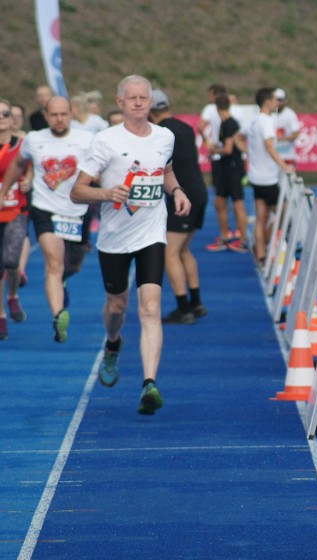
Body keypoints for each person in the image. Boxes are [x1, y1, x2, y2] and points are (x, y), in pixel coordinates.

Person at [71, 75, 191, 415]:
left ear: (150, 102)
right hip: (114, 238)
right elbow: (77, 191)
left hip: (152, 234)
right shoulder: (105, 141)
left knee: (150, 307)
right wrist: (107, 193)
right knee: (117, 307)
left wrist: (177, 191)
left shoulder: (164, 137)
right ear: (120, 102)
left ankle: (149, 383)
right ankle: (112, 343)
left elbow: (165, 172)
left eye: (143, 97)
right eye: (132, 98)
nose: (138, 103)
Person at [2, 96, 94, 342]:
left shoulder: (87, 140)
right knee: (53, 264)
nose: (59, 119)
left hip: (78, 211)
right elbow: (17, 164)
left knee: (71, 266)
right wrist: (3, 191)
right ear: (45, 115)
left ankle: (62, 282)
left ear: (71, 114)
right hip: (45, 210)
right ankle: (58, 315)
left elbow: (102, 170)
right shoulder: (35, 140)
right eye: (54, 115)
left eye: (64, 114)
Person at [149, 89, 209, 324]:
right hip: (197, 191)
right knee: (183, 250)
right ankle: (196, 302)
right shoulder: (185, 127)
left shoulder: (160, 132)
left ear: (151, 111)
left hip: (182, 195)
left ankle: (184, 308)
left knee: (170, 252)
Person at [245, 87, 293, 264]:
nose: (277, 103)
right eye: (275, 100)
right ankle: (269, 243)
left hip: (256, 175)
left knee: (261, 216)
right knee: (285, 213)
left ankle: (261, 253)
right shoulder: (266, 121)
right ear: (267, 102)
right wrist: (284, 165)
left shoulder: (255, 120)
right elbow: (269, 145)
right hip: (267, 178)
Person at [0, 99, 30, 339]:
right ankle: (0, 317)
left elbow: (32, 170)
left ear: (12, 119)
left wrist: (29, 181)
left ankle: (12, 296)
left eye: (5, 113)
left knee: (11, 261)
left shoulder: (22, 146)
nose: (0, 117)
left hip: (16, 211)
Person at [207, 92, 249, 253]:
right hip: (226, 167)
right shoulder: (226, 123)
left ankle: (243, 240)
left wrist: (214, 150)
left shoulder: (229, 124)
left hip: (232, 168)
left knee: (237, 203)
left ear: (216, 108)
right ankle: (224, 236)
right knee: (219, 202)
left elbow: (228, 149)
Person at [273, 88, 301, 169]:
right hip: (273, 155)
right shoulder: (271, 114)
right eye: (276, 99)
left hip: (287, 156)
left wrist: (282, 138)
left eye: (280, 99)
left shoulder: (290, 114)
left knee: (287, 180)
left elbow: (296, 134)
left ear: (285, 100)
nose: (278, 102)